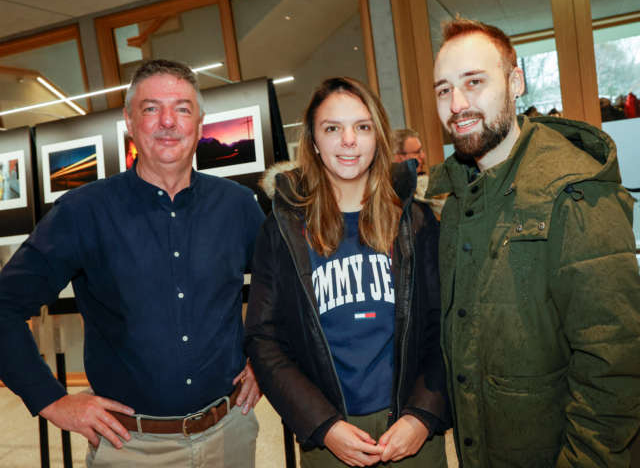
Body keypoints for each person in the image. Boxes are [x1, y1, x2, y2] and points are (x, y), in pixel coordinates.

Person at [0, 59, 265, 467]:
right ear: (129, 120)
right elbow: (4, 306)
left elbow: (285, 293)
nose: (167, 122)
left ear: (199, 121)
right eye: (150, 108)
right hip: (132, 449)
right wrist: (51, 399)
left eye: (181, 108)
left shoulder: (237, 206)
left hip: (230, 436)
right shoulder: (82, 212)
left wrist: (268, 362)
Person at [427, 16, 640, 467]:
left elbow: (615, 365)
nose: (457, 104)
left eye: (474, 81)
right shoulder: (456, 201)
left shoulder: (577, 191)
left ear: (515, 82)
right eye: (444, 89)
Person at [244, 77, 450, 468]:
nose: (348, 141)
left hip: (410, 434)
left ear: (379, 136)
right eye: (332, 128)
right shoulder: (284, 228)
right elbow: (264, 337)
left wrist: (423, 414)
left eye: (362, 126)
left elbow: (444, 324)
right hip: (330, 441)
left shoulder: (417, 221)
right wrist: (322, 424)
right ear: (314, 141)